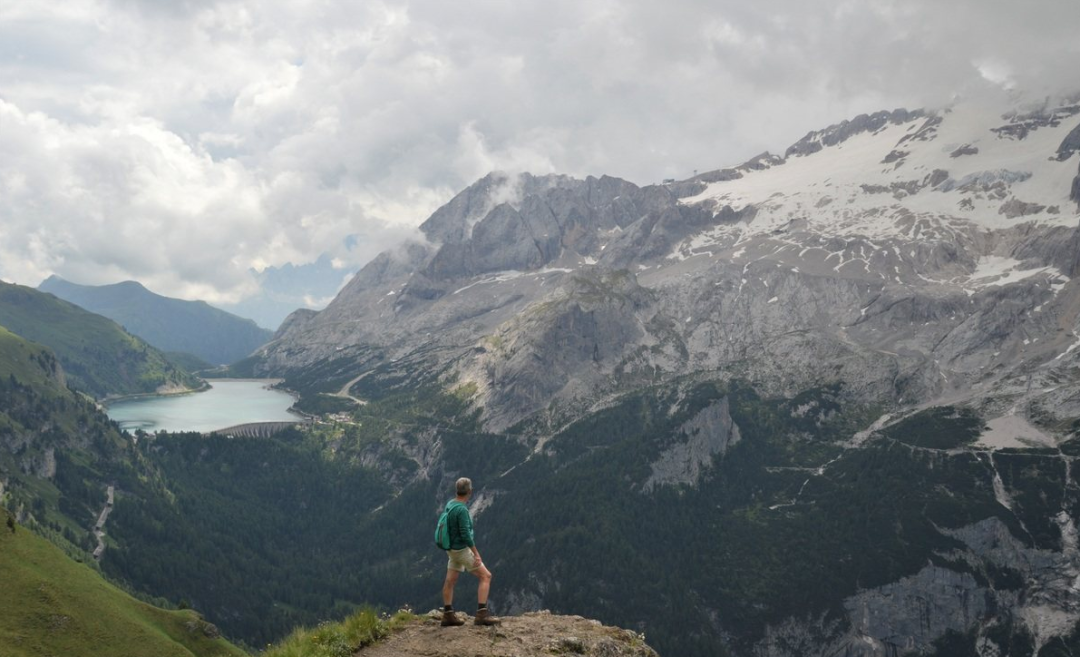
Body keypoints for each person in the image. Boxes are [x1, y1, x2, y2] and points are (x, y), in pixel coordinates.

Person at [440, 477, 500, 626]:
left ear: (456, 491)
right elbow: (466, 534)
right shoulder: (462, 509)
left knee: (450, 580)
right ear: (470, 492)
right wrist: (476, 553)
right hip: (461, 550)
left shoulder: (451, 504)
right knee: (486, 576)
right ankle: (481, 614)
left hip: (451, 549)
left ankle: (448, 614)